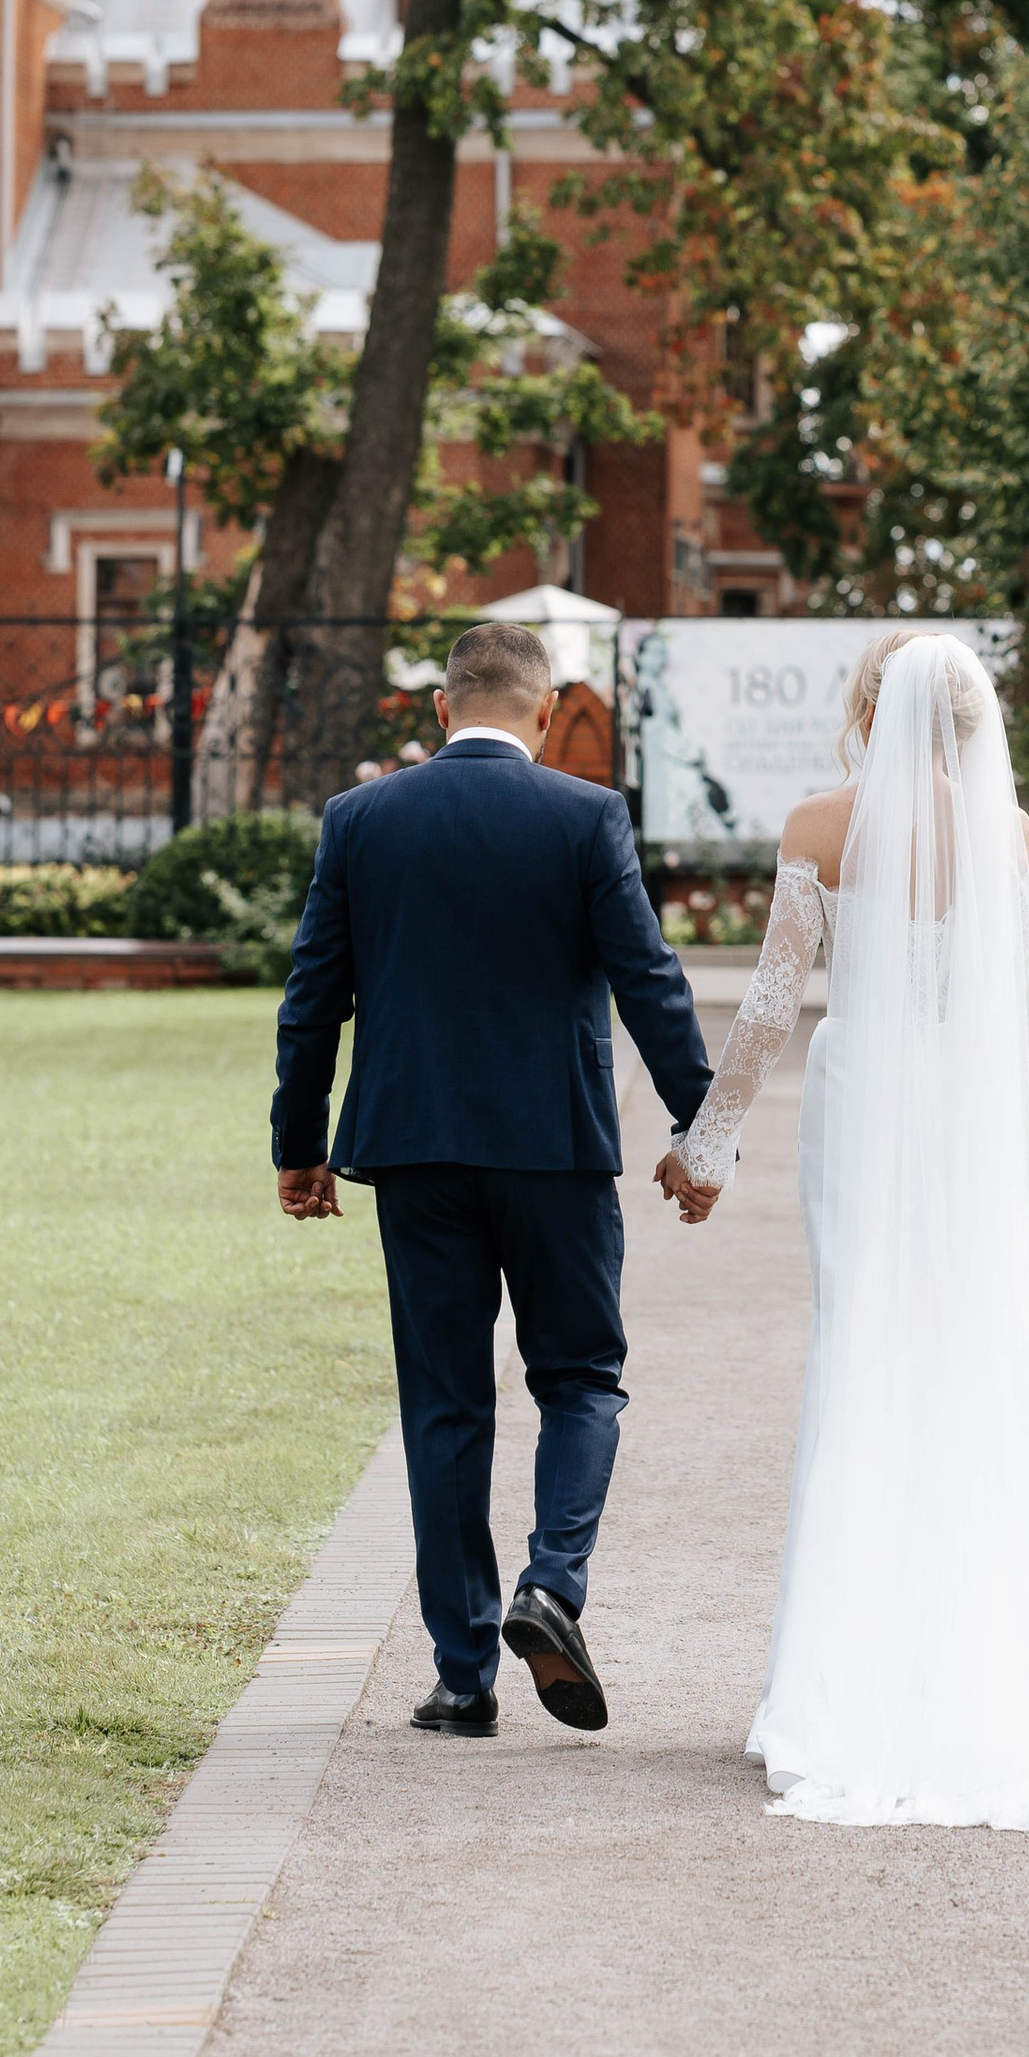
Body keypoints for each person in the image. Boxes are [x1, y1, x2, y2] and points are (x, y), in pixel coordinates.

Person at [655, 628, 1029, 1829]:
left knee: (867, 1359)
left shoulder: (820, 829)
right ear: (973, 720)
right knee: (979, 1368)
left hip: (870, 1103)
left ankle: (846, 1684)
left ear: (869, 709)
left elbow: (771, 1006)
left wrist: (707, 1145)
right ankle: (1008, 1671)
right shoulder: (1012, 834)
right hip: (976, 1120)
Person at [274, 618, 714, 1737]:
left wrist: (299, 1144)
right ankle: (550, 1586)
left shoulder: (360, 820)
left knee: (445, 1404)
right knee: (579, 1379)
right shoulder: (583, 815)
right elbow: (649, 982)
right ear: (550, 709)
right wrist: (702, 1133)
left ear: (439, 707)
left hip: (411, 1151)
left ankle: (462, 1676)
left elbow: (311, 995)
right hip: (553, 1152)